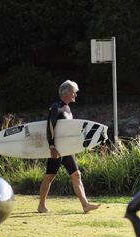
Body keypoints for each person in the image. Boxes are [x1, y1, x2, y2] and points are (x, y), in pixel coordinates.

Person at [38, 80, 101, 213]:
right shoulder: (55, 107)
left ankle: (85, 205)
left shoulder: (67, 108)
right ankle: (41, 205)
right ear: (65, 93)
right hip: (57, 148)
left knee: (76, 175)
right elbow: (50, 127)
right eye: (73, 92)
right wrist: (51, 147)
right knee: (50, 176)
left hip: (67, 148)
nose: (75, 95)